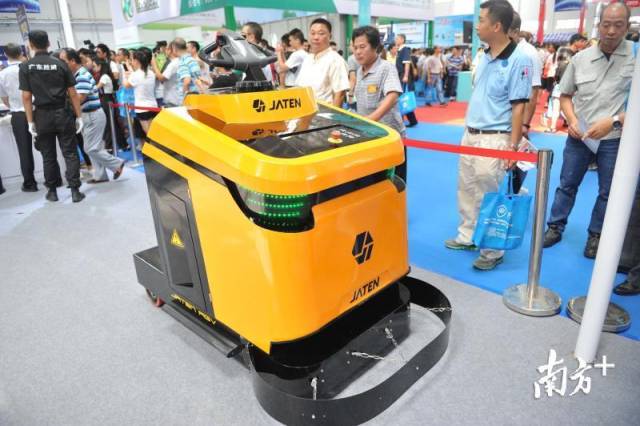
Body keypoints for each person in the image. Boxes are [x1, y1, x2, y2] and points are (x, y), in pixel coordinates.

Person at [444, 0, 533, 271]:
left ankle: (492, 250)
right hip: (470, 133)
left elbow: (519, 107)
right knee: (466, 188)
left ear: (496, 26)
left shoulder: (519, 59)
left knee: (489, 194)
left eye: (481, 20)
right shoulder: (484, 55)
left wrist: (512, 147)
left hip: (495, 137)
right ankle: (468, 235)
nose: (477, 25)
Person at [543, 2, 635, 259]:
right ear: (598, 25)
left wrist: (614, 120)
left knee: (608, 191)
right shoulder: (581, 58)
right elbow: (565, 95)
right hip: (580, 136)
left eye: (618, 25)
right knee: (567, 184)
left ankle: (596, 235)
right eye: (606, 24)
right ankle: (555, 226)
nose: (611, 31)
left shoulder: (636, 57)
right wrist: (572, 120)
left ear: (627, 27)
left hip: (615, 138)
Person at [19, 30, 85, 203]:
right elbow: (72, 93)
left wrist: (30, 121)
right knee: (70, 153)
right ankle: (75, 191)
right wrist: (79, 116)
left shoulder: (26, 67)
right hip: (63, 113)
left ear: (31, 45)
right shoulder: (61, 64)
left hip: (42, 115)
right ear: (48, 43)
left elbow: (26, 97)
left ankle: (52, 191)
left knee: (48, 155)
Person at [60, 49, 125, 184]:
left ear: (72, 61)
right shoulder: (77, 75)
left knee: (90, 148)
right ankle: (100, 176)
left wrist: (64, 94)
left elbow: (79, 99)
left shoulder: (81, 76)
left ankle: (116, 164)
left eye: (64, 61)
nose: (62, 64)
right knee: (95, 147)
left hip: (92, 115)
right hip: (89, 115)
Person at [352, 26, 407, 181]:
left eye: (362, 47)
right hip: (368, 137)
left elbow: (393, 94)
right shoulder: (359, 71)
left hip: (390, 138)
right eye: (355, 48)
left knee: (393, 183)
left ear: (375, 47)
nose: (358, 52)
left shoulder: (386, 68)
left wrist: (371, 119)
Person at [0, 43, 38, 192]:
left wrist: (15, 105)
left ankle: (30, 183)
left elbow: (5, 99)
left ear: (6, 55)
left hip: (18, 114)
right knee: (47, 146)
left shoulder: (3, 74)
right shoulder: (29, 68)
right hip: (36, 110)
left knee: (24, 149)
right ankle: (54, 179)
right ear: (21, 52)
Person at [295, 18, 350, 106]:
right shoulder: (308, 59)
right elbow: (299, 86)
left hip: (322, 113)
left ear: (330, 36)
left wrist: (332, 114)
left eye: (321, 33)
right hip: (303, 110)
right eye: (312, 33)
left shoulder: (335, 60)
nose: (316, 37)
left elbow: (339, 94)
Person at [94, 59, 127, 151]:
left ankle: (110, 146)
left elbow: (95, 88)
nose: (94, 68)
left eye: (95, 66)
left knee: (109, 123)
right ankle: (122, 144)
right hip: (108, 99)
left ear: (100, 66)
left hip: (106, 100)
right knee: (113, 123)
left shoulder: (104, 77)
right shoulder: (106, 76)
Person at [123, 49, 158, 134]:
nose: (132, 62)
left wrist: (125, 76)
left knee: (149, 134)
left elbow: (126, 85)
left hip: (142, 108)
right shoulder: (151, 73)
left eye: (132, 60)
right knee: (154, 133)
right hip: (153, 106)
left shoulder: (135, 75)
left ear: (136, 61)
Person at [394, 34, 418, 126]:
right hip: (399, 75)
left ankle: (409, 120)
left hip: (402, 76)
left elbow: (407, 64)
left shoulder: (405, 50)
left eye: (397, 39)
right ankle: (411, 120)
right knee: (402, 98)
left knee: (403, 98)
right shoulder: (399, 50)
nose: (396, 40)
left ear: (402, 40)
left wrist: (405, 76)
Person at [151, 41, 180, 107]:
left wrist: (154, 65)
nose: (165, 51)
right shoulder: (178, 61)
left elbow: (162, 78)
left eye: (167, 49)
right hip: (176, 98)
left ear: (171, 50)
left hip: (173, 100)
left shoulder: (173, 64)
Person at [173, 38, 200, 104]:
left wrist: (185, 100)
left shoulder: (183, 62)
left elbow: (186, 81)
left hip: (188, 101)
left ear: (175, 48)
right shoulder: (192, 60)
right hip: (195, 97)